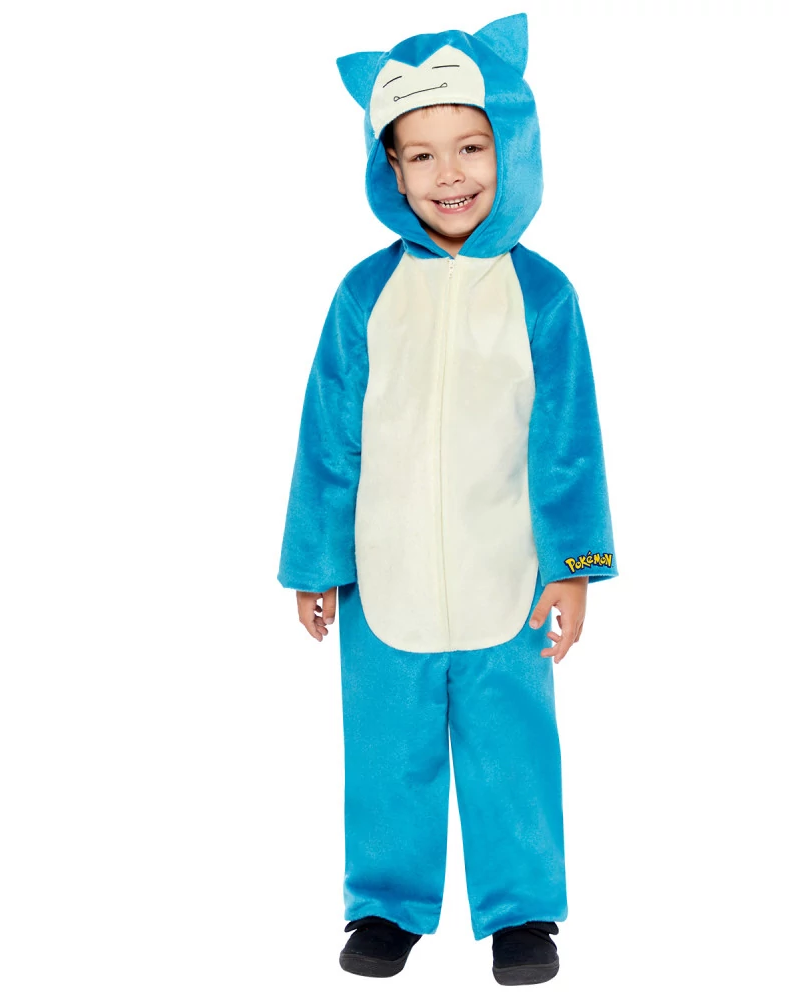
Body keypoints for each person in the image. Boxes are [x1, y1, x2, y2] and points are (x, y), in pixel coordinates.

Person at [277, 13, 617, 986]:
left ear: (510, 146)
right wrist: (314, 563)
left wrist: (575, 567)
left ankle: (523, 912)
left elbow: (567, 444)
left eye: (471, 147)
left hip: (507, 572)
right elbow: (328, 438)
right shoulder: (363, 294)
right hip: (381, 577)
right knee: (387, 747)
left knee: (513, 745)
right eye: (421, 155)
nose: (450, 174)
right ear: (390, 169)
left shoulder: (543, 295)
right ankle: (386, 903)